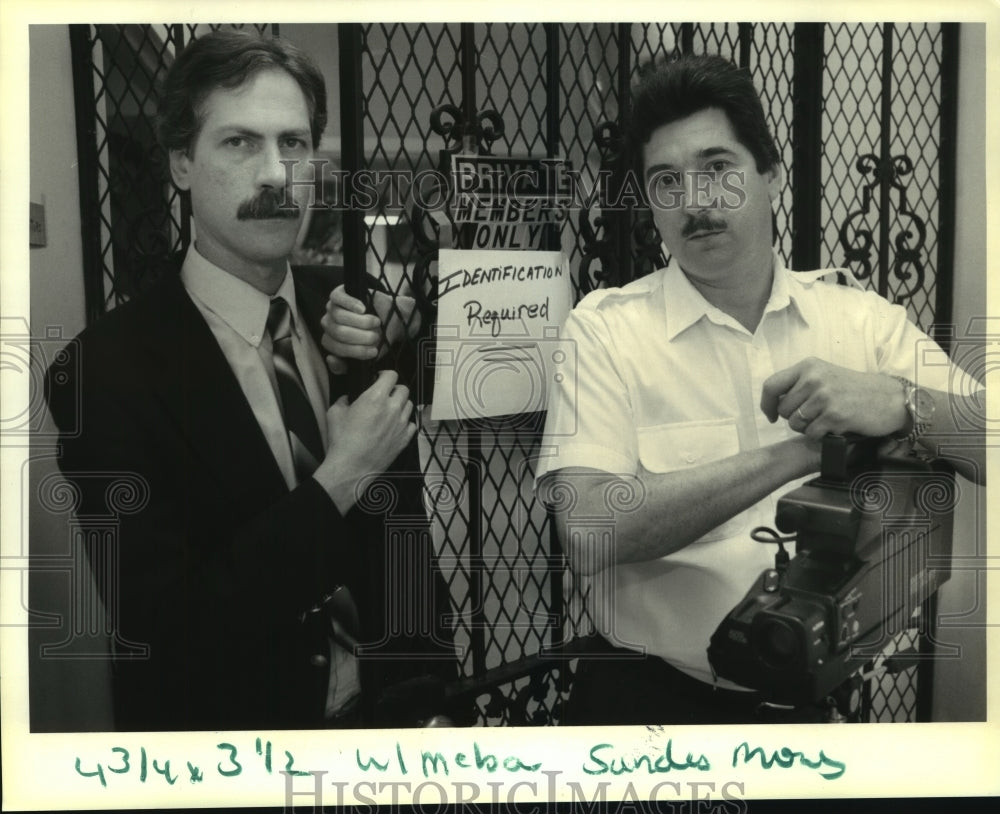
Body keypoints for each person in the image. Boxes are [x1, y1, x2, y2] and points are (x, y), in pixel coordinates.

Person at [536, 54, 985, 726]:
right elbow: (592, 528)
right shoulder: (606, 331)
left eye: (718, 168)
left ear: (770, 174)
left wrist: (903, 403)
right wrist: (801, 452)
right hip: (648, 705)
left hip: (813, 706)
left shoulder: (858, 322)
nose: (695, 203)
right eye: (667, 182)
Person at [45, 30, 461, 731]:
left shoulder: (353, 313)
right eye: (239, 143)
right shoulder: (103, 373)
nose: (276, 175)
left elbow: (403, 547)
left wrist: (435, 698)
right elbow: (163, 626)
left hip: (391, 730)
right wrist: (341, 479)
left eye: (294, 144)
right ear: (182, 163)